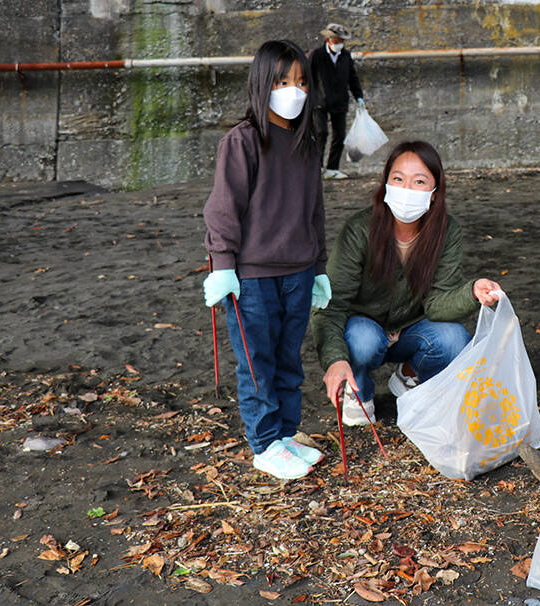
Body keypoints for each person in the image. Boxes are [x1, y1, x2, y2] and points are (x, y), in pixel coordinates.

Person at [202, 40, 331, 481]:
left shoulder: (307, 144)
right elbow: (223, 209)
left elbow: (315, 210)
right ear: (263, 83)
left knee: (289, 359)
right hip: (252, 278)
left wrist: (320, 267)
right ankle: (263, 442)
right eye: (282, 81)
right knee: (256, 361)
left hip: (298, 271)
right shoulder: (241, 142)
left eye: (300, 82)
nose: (293, 91)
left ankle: (286, 434)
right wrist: (222, 265)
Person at [311, 140, 502, 426]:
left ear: (435, 193)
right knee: (362, 340)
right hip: (364, 329)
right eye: (398, 179)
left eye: (420, 181)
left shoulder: (446, 232)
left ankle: (410, 374)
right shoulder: (359, 230)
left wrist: (471, 292)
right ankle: (358, 387)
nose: (406, 189)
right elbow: (332, 304)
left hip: (412, 329)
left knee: (454, 340)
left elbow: (438, 306)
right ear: (386, 184)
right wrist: (335, 359)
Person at [309, 22, 364, 180]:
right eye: (337, 41)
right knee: (321, 133)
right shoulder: (317, 55)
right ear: (329, 40)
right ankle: (317, 166)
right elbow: (307, 76)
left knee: (339, 135)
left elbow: (352, 78)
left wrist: (358, 96)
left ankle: (332, 168)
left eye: (342, 41)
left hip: (340, 101)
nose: (339, 44)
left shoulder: (345, 56)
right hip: (319, 101)